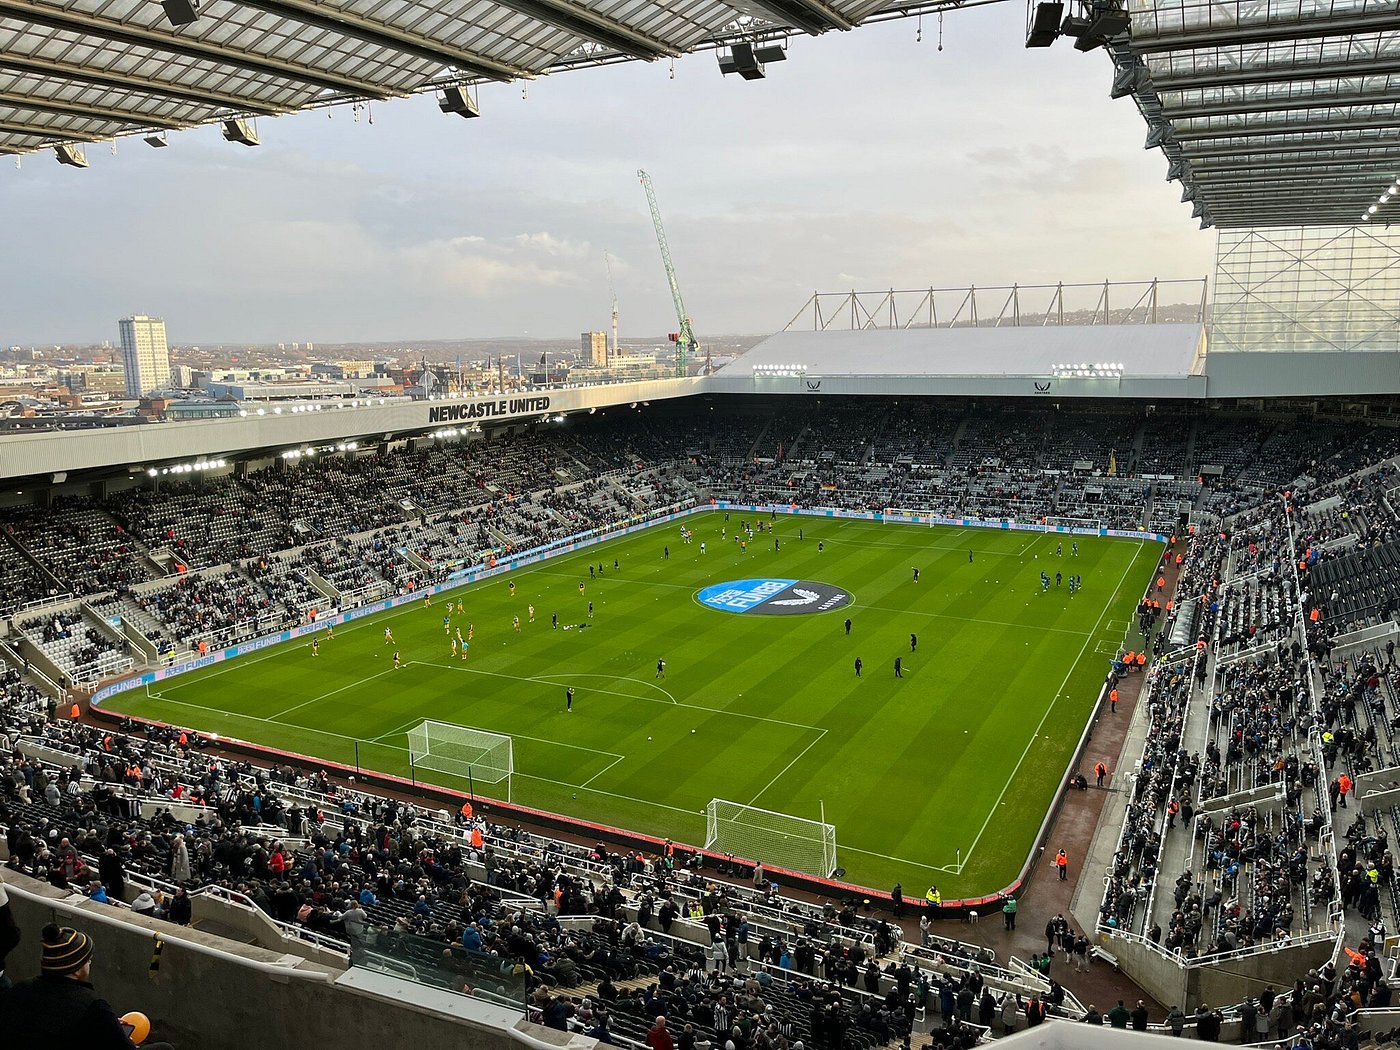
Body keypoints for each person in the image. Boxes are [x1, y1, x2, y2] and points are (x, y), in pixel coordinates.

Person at [0, 923, 176, 1047]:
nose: (89, 965)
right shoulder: (92, 1007)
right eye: (88, 961)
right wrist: (116, 1032)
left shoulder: (20, 989)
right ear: (76, 969)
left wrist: (107, 1025)